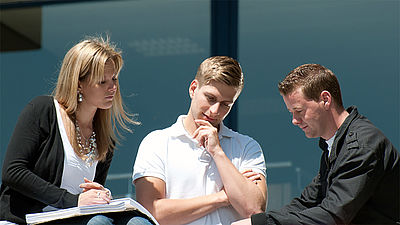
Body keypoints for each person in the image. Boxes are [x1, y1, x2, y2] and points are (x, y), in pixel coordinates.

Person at [0, 37, 152, 225]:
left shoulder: (104, 140)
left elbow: (88, 196)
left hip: (73, 219)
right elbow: (12, 172)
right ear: (79, 83)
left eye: (114, 79)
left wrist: (99, 194)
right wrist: (73, 200)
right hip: (29, 219)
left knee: (138, 222)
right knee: (99, 223)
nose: (112, 87)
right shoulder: (43, 110)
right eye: (102, 82)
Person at [232, 64, 400, 225]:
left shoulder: (360, 145)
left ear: (325, 99)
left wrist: (261, 223)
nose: (294, 121)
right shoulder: (335, 145)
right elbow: (306, 202)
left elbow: (332, 216)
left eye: (299, 111)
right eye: (291, 113)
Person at [132, 56, 268, 225]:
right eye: (210, 98)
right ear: (193, 88)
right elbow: (151, 212)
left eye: (226, 104)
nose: (215, 111)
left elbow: (254, 210)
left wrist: (217, 152)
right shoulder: (157, 143)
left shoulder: (247, 147)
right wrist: (223, 197)